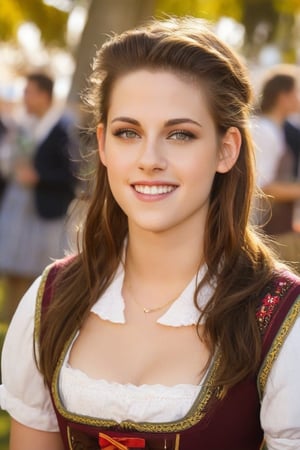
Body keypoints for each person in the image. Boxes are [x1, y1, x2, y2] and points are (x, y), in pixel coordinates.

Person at [0, 17, 300, 450]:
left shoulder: (280, 319)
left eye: (180, 134)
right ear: (103, 145)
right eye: (128, 133)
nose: (149, 159)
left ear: (226, 149)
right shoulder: (52, 300)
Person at [0, 73, 77, 322]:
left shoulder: (64, 128)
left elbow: (72, 175)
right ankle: (8, 318)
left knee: (35, 271)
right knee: (11, 263)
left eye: (29, 92)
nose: (25, 97)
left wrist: (40, 177)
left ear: (44, 96)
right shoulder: (23, 125)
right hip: (17, 205)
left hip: (43, 211)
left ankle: (28, 322)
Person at [251, 67, 300, 272]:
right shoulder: (265, 130)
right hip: (259, 230)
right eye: (296, 92)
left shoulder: (276, 129)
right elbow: (263, 187)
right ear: (283, 96)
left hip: (270, 228)